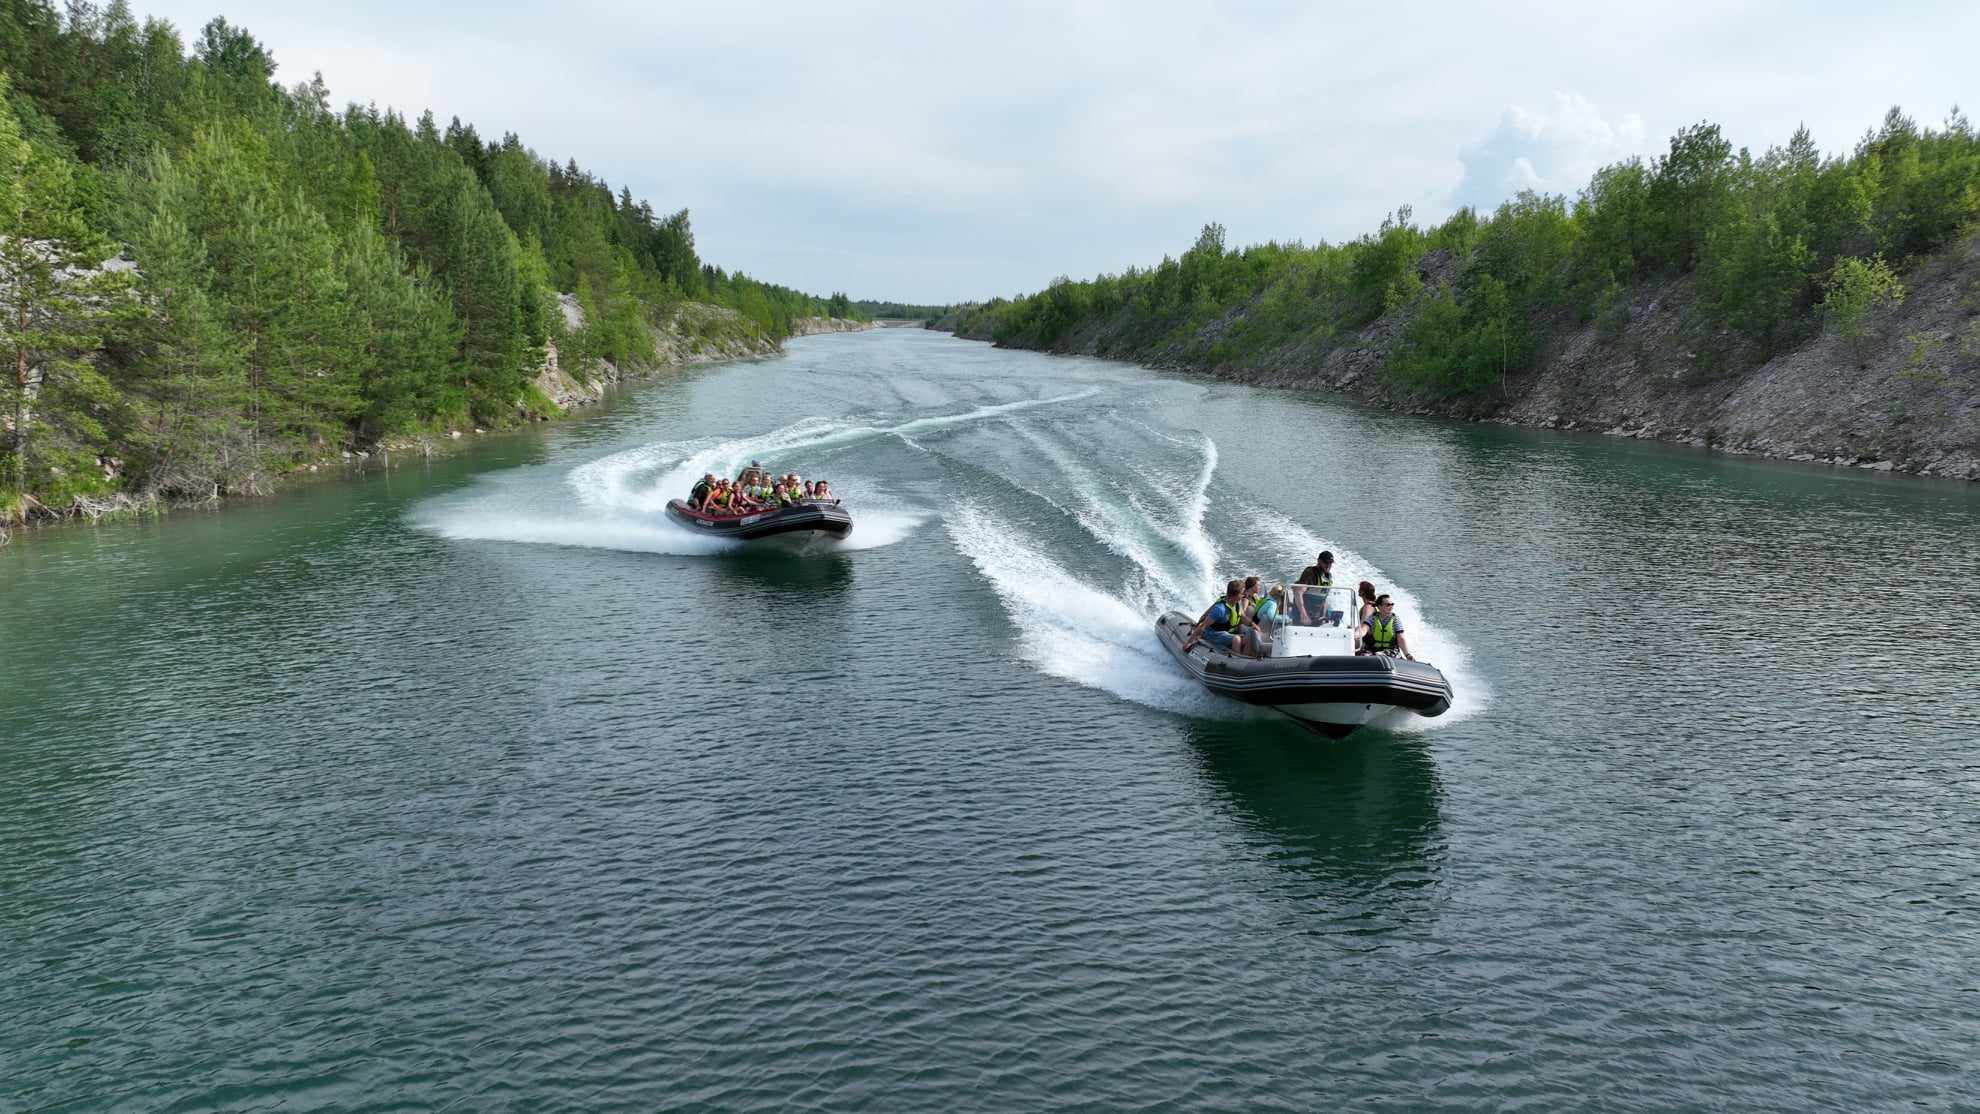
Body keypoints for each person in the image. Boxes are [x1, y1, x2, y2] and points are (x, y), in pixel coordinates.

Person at [1183, 580, 1252, 657]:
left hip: (1225, 633)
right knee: (1237, 639)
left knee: (1248, 638)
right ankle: (1238, 662)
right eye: (1242, 593)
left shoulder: (1237, 604)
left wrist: (1254, 626)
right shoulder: (1220, 609)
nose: (1243, 595)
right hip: (1212, 634)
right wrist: (1189, 642)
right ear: (1235, 594)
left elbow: (1243, 617)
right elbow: (1203, 626)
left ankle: (1247, 659)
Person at [1356, 594, 1415, 660]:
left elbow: (1401, 637)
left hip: (1391, 650)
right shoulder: (1373, 617)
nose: (1391, 606)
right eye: (1388, 605)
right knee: (1364, 656)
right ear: (1379, 606)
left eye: (1392, 604)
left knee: (1379, 655)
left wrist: (1407, 654)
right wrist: (1355, 635)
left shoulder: (1395, 619)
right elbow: (1364, 629)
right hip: (1373, 649)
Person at [1244, 584, 1286, 657]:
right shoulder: (1273, 604)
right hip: (1260, 629)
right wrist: (1285, 618)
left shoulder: (1267, 599)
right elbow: (1271, 616)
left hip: (1257, 623)